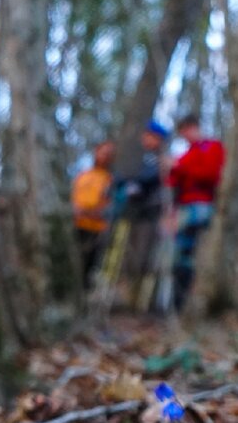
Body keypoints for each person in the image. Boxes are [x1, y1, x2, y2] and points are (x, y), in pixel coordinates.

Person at [165, 114, 225, 311]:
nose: (185, 136)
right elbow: (173, 181)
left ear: (195, 127)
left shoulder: (212, 147)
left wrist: (180, 168)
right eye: (182, 134)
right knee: (179, 252)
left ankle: (184, 299)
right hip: (182, 206)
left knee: (187, 250)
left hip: (201, 205)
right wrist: (170, 169)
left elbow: (210, 175)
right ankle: (175, 299)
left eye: (186, 131)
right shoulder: (187, 153)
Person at [114, 121, 170, 307]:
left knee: (145, 257)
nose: (146, 139)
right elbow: (121, 176)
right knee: (126, 256)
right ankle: (126, 295)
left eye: (151, 136)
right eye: (145, 135)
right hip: (131, 213)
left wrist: (136, 183)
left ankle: (141, 300)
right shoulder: (137, 157)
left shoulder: (161, 159)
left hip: (150, 215)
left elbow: (151, 178)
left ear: (159, 139)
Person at [71, 141, 115, 287]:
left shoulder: (110, 180)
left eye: (108, 154)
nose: (104, 156)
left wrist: (90, 212)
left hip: (96, 230)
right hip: (76, 226)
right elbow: (73, 199)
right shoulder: (82, 175)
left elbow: (109, 207)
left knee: (89, 266)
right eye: (102, 152)